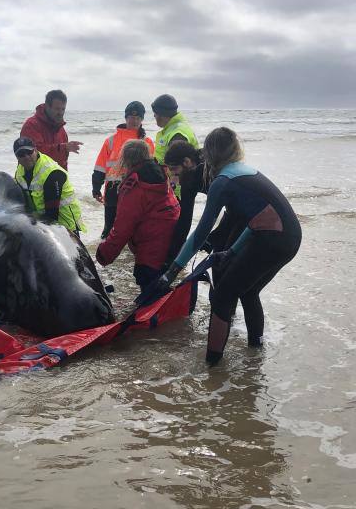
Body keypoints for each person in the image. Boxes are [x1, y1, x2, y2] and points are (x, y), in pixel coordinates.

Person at [155, 127, 302, 365]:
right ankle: (256, 350)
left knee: (223, 294)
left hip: (272, 239)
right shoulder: (244, 171)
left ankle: (212, 366)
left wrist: (171, 272)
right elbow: (257, 219)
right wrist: (231, 251)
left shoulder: (221, 182)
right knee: (248, 290)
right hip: (291, 237)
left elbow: (201, 232)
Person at [96, 140, 180, 289]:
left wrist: (103, 255)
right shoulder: (161, 175)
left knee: (149, 298)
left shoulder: (134, 186)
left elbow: (123, 227)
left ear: (126, 160)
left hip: (152, 253)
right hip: (172, 246)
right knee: (162, 294)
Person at [163, 141, 236, 264]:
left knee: (225, 259)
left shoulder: (210, 169)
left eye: (175, 169)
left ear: (187, 162)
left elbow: (210, 217)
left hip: (248, 209)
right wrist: (171, 258)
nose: (174, 176)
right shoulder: (188, 177)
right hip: (231, 211)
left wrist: (215, 235)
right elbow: (185, 218)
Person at [92, 101, 155, 238]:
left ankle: (129, 257)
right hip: (113, 190)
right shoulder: (111, 140)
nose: (134, 121)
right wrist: (96, 187)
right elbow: (100, 166)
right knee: (109, 229)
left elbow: (152, 170)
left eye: (138, 118)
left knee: (135, 228)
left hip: (137, 189)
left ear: (142, 119)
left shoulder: (148, 142)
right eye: (131, 117)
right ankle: (105, 256)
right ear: (126, 118)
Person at [13, 137, 85, 233]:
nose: (26, 157)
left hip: (65, 224)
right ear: (16, 157)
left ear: (35, 150)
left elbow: (52, 214)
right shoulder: (19, 171)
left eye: (29, 152)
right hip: (41, 222)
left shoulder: (52, 173)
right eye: (21, 154)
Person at [20, 89, 82, 171]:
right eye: (57, 109)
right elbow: (34, 155)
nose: (60, 113)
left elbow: (63, 162)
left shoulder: (61, 129)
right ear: (47, 106)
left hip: (56, 179)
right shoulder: (31, 125)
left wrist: (64, 178)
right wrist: (63, 148)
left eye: (63, 109)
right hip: (33, 180)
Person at [152, 94, 199, 197]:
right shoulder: (173, 128)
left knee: (181, 213)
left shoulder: (177, 133)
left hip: (177, 188)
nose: (154, 116)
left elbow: (179, 163)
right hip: (174, 185)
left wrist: (173, 183)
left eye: (155, 113)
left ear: (162, 114)